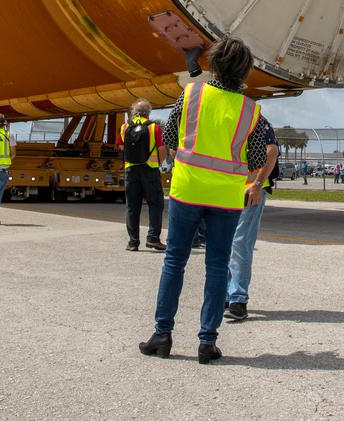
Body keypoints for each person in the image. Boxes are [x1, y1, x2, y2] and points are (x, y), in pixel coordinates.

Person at [139, 37, 268, 365]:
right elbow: (255, 159)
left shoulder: (192, 93)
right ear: (244, 71)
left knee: (174, 261)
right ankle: (207, 341)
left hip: (188, 189)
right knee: (217, 265)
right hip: (226, 197)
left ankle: (162, 335)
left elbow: (169, 137)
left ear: (214, 63)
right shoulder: (251, 111)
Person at [226, 120, 279, 320]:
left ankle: (238, 298)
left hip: (249, 189)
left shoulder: (257, 122)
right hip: (226, 189)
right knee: (226, 243)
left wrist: (257, 184)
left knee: (240, 243)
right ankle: (227, 294)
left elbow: (271, 151)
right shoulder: (231, 121)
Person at [117, 99, 169, 252]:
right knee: (156, 204)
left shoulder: (124, 127)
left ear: (134, 112)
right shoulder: (154, 128)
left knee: (132, 207)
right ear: (148, 112)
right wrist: (158, 162)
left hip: (131, 170)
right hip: (150, 170)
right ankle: (153, 239)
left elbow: (121, 146)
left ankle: (133, 242)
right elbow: (161, 149)